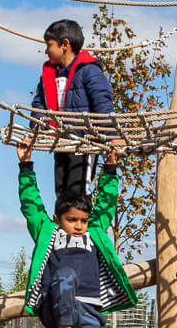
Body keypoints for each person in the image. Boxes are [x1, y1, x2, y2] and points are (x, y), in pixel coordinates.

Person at [17, 145, 137, 328]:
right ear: (59, 219)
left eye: (83, 220)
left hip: (90, 315)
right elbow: (31, 205)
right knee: (66, 273)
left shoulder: (94, 234)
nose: (79, 225)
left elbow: (107, 204)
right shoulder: (48, 233)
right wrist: (26, 166)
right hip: (58, 310)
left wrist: (110, 165)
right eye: (72, 220)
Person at [17, 18, 122, 200]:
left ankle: (80, 226)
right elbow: (39, 106)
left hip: (84, 142)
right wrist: (36, 131)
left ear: (64, 45)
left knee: (79, 190)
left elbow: (103, 105)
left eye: (49, 45)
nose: (46, 51)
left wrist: (112, 136)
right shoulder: (49, 75)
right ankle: (63, 226)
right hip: (61, 142)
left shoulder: (89, 70)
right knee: (61, 192)